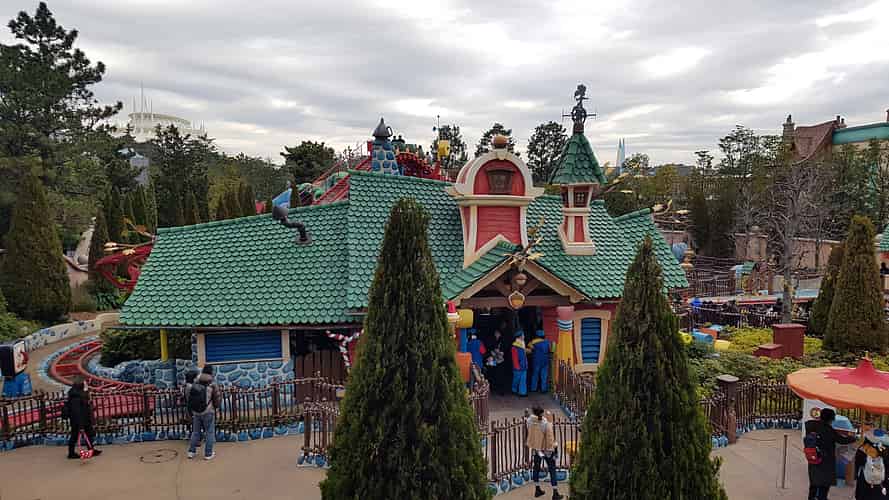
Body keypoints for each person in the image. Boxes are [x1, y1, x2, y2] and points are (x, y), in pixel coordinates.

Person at [806, 408, 857, 500]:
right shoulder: (828, 429)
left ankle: (811, 497)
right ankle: (822, 498)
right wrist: (853, 438)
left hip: (813, 457)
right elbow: (841, 440)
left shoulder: (811, 426)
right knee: (825, 483)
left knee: (814, 481)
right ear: (831, 419)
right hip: (826, 460)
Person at [525, 406, 562, 500]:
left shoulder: (530, 421)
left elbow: (529, 423)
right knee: (552, 469)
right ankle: (555, 493)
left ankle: (537, 489)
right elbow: (550, 438)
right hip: (546, 449)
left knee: (536, 468)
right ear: (542, 413)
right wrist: (554, 449)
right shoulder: (545, 423)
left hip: (537, 449)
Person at [188, 365, 222, 460]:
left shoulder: (196, 382)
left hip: (196, 412)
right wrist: (217, 407)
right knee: (209, 432)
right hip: (208, 411)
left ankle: (191, 452)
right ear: (211, 372)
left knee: (195, 432)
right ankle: (208, 453)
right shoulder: (212, 384)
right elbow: (217, 398)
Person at [64, 378, 102, 459]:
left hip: (84, 419)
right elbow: (77, 412)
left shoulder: (80, 394)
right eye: (84, 384)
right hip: (78, 421)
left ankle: (91, 449)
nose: (86, 386)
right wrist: (80, 425)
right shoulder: (76, 397)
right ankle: (71, 453)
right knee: (74, 436)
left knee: (88, 435)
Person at [854, 429, 887, 500]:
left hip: (865, 481)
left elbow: (858, 462)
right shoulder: (885, 449)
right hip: (880, 484)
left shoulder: (864, 447)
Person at [511, 330, 528, 397]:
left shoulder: (522, 344)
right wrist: (516, 366)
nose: (524, 336)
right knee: (516, 380)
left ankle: (522, 393)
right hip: (518, 366)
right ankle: (514, 390)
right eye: (523, 335)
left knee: (523, 380)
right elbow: (514, 357)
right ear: (520, 337)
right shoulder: (515, 346)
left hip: (524, 365)